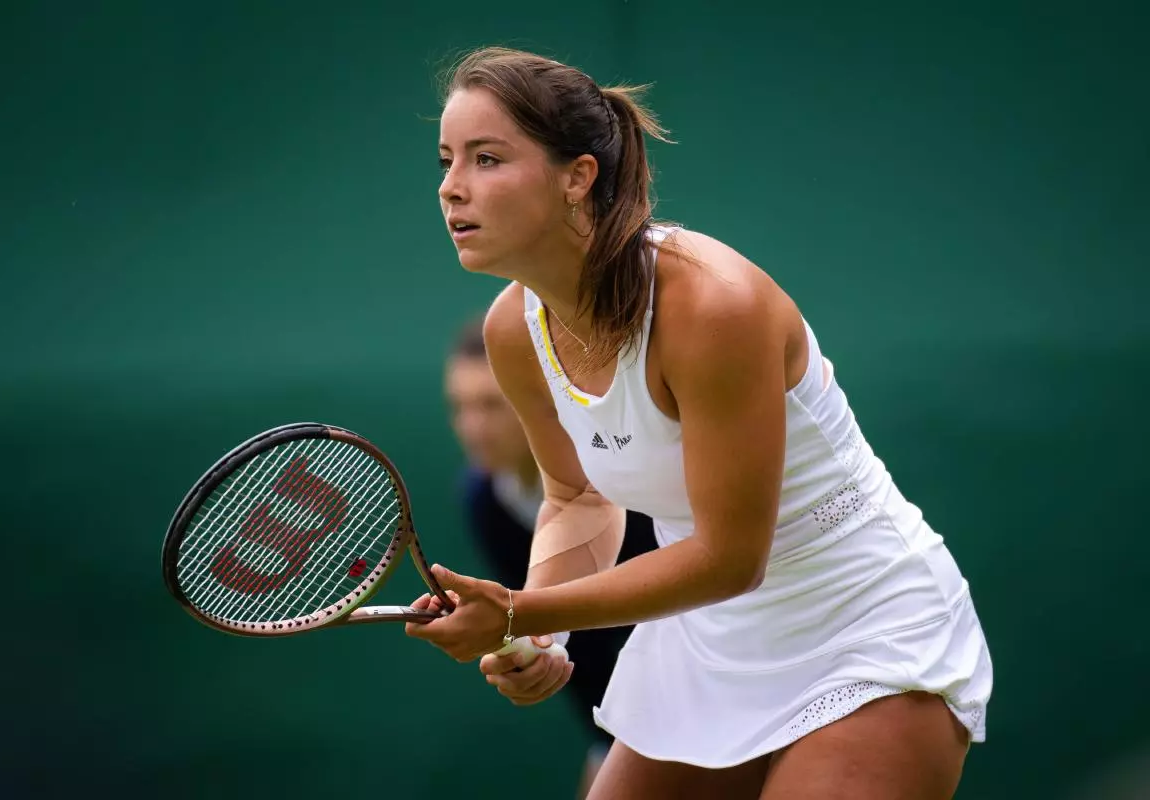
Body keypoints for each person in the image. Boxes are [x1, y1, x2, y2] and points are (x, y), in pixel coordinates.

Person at [408, 45, 993, 799]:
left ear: (577, 177)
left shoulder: (713, 305)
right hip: (705, 644)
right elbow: (580, 499)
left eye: (487, 159)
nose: (452, 189)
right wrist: (537, 635)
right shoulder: (513, 332)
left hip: (862, 627)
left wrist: (522, 606)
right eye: (446, 160)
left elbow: (727, 557)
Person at [442, 312, 660, 795]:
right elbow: (566, 642)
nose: (473, 427)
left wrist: (525, 615)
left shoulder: (627, 482)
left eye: (491, 406)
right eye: (459, 408)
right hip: (620, 720)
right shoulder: (482, 501)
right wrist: (532, 651)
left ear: (539, 402)